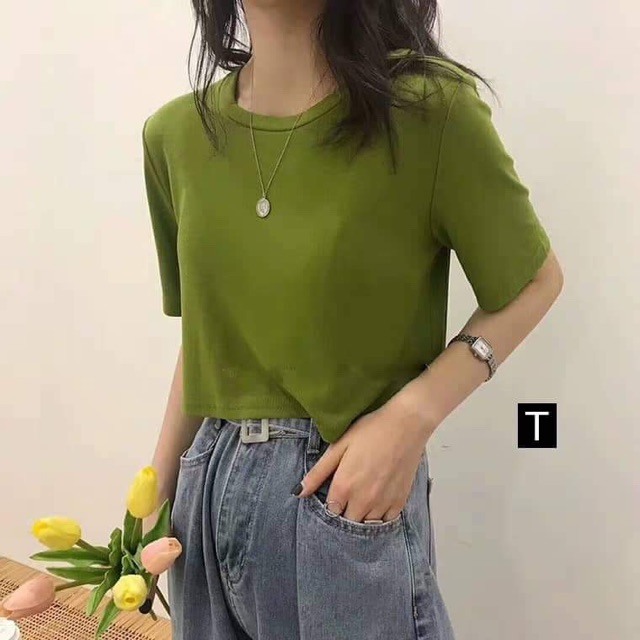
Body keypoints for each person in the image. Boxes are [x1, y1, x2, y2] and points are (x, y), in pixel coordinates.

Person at [140, 0, 564, 637]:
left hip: (340, 491)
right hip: (205, 493)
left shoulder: (426, 112)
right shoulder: (175, 136)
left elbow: (534, 279)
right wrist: (156, 492)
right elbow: (205, 334)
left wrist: (411, 417)